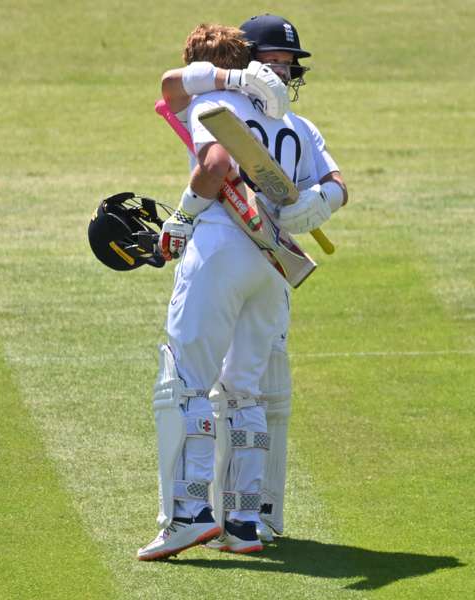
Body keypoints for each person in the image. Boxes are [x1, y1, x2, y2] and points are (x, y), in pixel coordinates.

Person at [137, 16, 348, 561]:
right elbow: (336, 184)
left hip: (223, 246)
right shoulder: (301, 127)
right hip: (273, 263)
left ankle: (188, 514)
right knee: (245, 390)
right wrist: (320, 202)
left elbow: (216, 164)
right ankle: (245, 522)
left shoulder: (224, 108)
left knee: (185, 382)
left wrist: (181, 220)